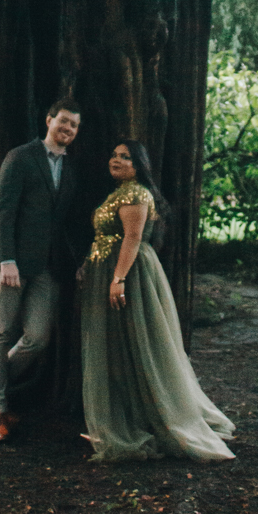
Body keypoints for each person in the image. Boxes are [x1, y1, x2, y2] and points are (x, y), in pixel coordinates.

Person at [79, 139, 235, 463]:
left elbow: (133, 238)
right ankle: (126, 420)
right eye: (114, 154)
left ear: (138, 166)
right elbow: (106, 237)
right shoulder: (118, 193)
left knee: (140, 345)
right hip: (108, 272)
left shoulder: (136, 194)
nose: (116, 160)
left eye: (126, 157)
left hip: (129, 277)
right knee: (118, 348)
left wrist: (118, 279)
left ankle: (157, 421)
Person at [0, 99, 81, 443]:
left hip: (47, 267)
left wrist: (77, 261)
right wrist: (7, 259)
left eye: (74, 125)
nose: (68, 129)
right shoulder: (20, 157)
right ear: (49, 120)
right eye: (63, 121)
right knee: (0, 333)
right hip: (12, 263)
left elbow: (63, 223)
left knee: (38, 338)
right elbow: (3, 210)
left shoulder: (71, 169)